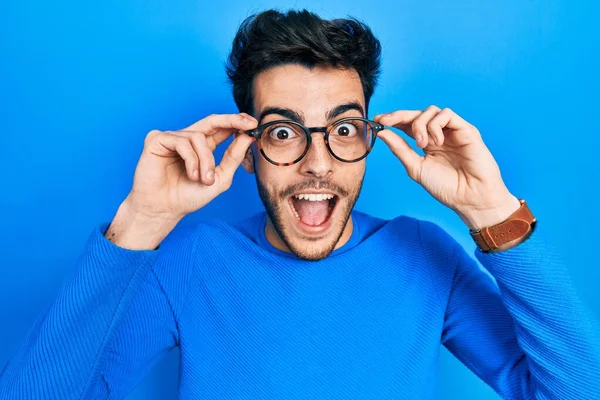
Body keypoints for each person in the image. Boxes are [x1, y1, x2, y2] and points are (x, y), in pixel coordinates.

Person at [1, 8, 599, 400]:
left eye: (343, 129)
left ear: (369, 138)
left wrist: (493, 211)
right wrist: (141, 222)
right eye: (285, 132)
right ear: (250, 147)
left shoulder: (422, 254)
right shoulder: (190, 262)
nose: (318, 163)